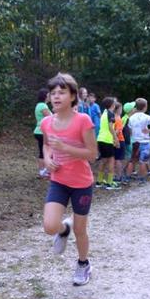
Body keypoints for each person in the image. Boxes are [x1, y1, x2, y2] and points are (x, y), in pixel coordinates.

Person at [40, 72, 98, 286]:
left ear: (73, 96)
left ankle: (83, 264)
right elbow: (46, 144)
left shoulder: (83, 120)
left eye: (62, 92)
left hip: (81, 183)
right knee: (49, 226)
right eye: (53, 93)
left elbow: (92, 153)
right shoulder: (47, 122)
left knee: (81, 230)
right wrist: (47, 159)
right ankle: (64, 230)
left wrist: (65, 148)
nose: (56, 96)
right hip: (58, 181)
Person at [126, 98, 150, 184]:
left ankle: (127, 177)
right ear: (145, 107)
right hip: (145, 141)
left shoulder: (131, 117)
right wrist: (149, 131)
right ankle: (142, 179)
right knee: (143, 161)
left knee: (132, 160)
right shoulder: (147, 117)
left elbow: (130, 130)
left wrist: (133, 136)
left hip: (135, 141)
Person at [95, 96, 120, 190]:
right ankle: (110, 182)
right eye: (114, 101)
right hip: (107, 140)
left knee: (104, 160)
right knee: (111, 160)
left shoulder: (104, 113)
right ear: (112, 104)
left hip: (100, 139)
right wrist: (116, 139)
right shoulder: (110, 114)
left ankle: (99, 181)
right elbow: (110, 127)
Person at [34, 88, 52, 179]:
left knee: (43, 151)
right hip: (42, 132)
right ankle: (44, 171)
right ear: (45, 96)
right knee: (47, 151)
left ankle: (43, 171)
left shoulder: (39, 105)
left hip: (39, 131)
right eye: (49, 95)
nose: (50, 97)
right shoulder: (43, 106)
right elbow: (50, 118)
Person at [112, 102, 127, 185]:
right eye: (121, 109)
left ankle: (116, 175)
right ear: (117, 109)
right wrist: (115, 138)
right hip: (119, 140)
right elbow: (118, 131)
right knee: (118, 159)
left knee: (115, 159)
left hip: (113, 140)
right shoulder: (118, 119)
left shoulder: (111, 118)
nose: (121, 110)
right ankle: (119, 176)